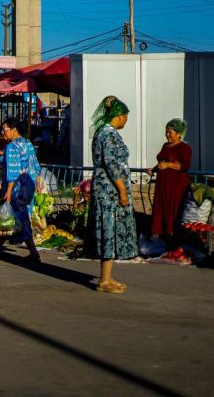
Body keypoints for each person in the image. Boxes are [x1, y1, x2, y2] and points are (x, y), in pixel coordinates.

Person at [88, 96, 137, 293]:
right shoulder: (107, 134)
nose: (126, 119)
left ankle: (107, 276)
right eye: (125, 116)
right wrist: (123, 191)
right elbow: (111, 164)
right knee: (108, 230)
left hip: (108, 189)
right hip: (108, 191)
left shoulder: (107, 133)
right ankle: (104, 280)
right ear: (118, 116)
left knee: (111, 230)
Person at [0, 118, 41, 261]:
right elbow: (35, 164)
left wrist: (8, 191)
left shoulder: (12, 147)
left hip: (16, 189)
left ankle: (34, 253)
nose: (2, 133)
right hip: (28, 187)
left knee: (17, 218)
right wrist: (37, 180)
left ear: (14, 130)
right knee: (11, 217)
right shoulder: (27, 143)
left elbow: (13, 171)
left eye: (4, 130)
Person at [148, 118, 192, 244]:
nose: (167, 134)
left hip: (176, 185)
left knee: (173, 208)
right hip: (162, 184)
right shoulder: (165, 146)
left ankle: (173, 237)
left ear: (178, 133)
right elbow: (162, 162)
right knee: (161, 207)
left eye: (170, 132)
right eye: (166, 131)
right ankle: (160, 237)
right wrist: (154, 169)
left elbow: (184, 166)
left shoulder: (185, 148)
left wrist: (168, 165)